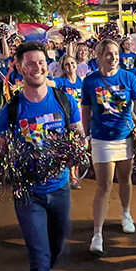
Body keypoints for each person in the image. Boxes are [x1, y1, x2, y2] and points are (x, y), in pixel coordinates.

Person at [0, 42, 83, 271]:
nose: (37, 68)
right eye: (30, 63)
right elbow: (2, 148)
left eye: (41, 62)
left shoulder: (63, 99)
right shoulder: (11, 109)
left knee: (57, 248)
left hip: (60, 190)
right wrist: (11, 163)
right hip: (28, 194)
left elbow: (77, 134)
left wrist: (73, 155)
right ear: (19, 68)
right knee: (40, 259)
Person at [82, 39, 136, 255]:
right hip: (101, 138)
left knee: (125, 177)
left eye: (115, 54)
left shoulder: (128, 78)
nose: (112, 58)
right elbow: (85, 110)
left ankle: (126, 213)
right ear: (99, 57)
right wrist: (87, 135)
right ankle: (97, 233)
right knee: (104, 185)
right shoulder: (90, 81)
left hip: (125, 137)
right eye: (108, 54)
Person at [53, 54, 84, 189]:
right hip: (66, 119)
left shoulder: (81, 82)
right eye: (67, 64)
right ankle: (69, 175)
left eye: (72, 63)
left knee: (78, 146)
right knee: (67, 146)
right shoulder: (61, 82)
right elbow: (51, 84)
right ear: (63, 68)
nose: (70, 67)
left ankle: (74, 173)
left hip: (80, 117)